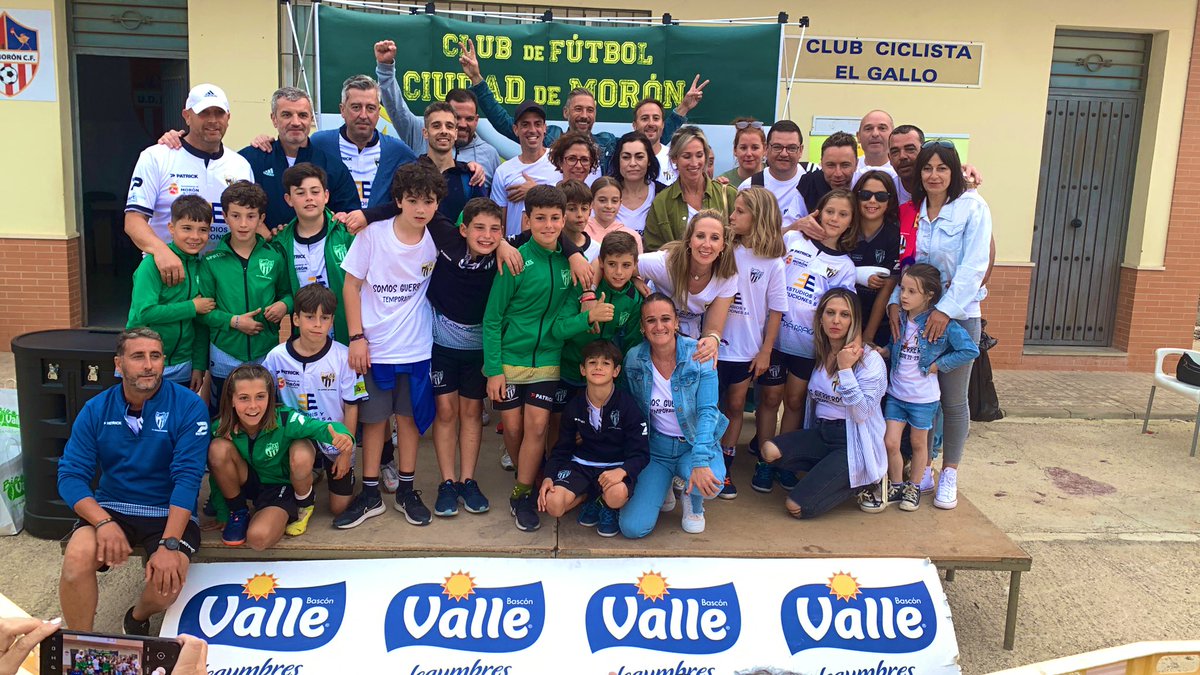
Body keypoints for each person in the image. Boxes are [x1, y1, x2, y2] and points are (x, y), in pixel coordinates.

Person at [57, 328, 209, 634]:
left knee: (167, 585)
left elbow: (188, 479)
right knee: (75, 559)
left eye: (156, 356)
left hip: (167, 512)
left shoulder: (189, 406)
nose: (149, 365)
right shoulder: (96, 408)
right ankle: (81, 644)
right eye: (138, 356)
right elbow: (70, 475)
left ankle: (137, 617)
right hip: (112, 508)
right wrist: (102, 522)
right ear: (119, 364)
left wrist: (169, 544)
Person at [887, 140, 992, 511]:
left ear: (954, 171)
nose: (934, 175)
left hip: (958, 315)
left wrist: (944, 311)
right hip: (918, 315)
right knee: (924, 397)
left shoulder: (972, 207)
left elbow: (974, 267)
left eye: (942, 168)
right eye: (927, 168)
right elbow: (909, 265)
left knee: (953, 400)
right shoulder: (915, 211)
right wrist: (895, 301)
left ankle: (950, 471)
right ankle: (925, 468)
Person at [337, 163, 443, 528]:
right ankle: (370, 495)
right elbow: (350, 286)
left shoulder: (437, 237)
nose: (420, 209)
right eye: (412, 200)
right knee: (374, 422)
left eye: (428, 201)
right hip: (374, 348)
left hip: (417, 348)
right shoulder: (373, 234)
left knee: (409, 421)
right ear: (398, 200)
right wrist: (356, 338)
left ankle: (406, 491)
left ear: (437, 204)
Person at [458, 38, 705, 174]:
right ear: (566, 112)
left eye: (589, 110)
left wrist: (682, 109)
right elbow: (504, 123)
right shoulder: (550, 138)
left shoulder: (608, 144)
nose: (584, 115)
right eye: (578, 109)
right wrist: (477, 79)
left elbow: (647, 141)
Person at [483, 185, 576, 532]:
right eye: (540, 218)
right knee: (514, 428)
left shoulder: (570, 262)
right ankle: (529, 473)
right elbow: (492, 319)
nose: (548, 225)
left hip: (548, 360)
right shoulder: (515, 260)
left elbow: (568, 315)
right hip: (509, 360)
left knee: (537, 426)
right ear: (527, 220)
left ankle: (522, 493)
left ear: (564, 220)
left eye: (555, 218)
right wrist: (494, 370)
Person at [758, 288, 888, 519]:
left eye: (844, 315)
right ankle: (830, 474)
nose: (836, 320)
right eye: (830, 313)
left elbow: (862, 413)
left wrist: (845, 369)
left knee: (795, 507)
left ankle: (865, 480)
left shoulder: (870, 360)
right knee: (769, 451)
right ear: (820, 319)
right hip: (822, 433)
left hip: (851, 443)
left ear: (854, 321)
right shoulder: (819, 353)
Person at [208, 363, 355, 549]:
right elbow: (215, 472)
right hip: (247, 481)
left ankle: (302, 504)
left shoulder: (285, 419)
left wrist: (345, 437)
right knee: (217, 448)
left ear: (270, 397)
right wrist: (222, 510)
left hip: (278, 487)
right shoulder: (221, 427)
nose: (253, 406)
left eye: (260, 396)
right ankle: (238, 512)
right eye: (244, 398)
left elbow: (322, 428)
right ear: (231, 400)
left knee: (258, 539)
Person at [620, 294, 726, 537]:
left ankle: (692, 499)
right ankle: (664, 483)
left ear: (676, 322)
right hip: (656, 449)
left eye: (666, 319)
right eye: (651, 320)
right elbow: (627, 408)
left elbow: (708, 411)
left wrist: (700, 461)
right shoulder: (634, 359)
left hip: (693, 444)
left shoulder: (698, 353)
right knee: (632, 528)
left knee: (712, 484)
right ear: (642, 327)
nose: (659, 326)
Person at [125, 84, 254, 284]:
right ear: (187, 116)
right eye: (204, 113)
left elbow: (250, 221)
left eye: (219, 113)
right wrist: (161, 251)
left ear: (228, 117)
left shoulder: (240, 165)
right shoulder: (156, 157)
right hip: (170, 276)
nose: (213, 120)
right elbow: (133, 220)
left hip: (221, 278)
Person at [875, 264, 977, 513]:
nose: (904, 296)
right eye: (902, 289)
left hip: (923, 399)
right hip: (896, 394)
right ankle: (897, 485)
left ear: (929, 295)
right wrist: (884, 352)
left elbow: (969, 350)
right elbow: (896, 345)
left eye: (912, 291)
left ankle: (914, 487)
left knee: (919, 444)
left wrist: (938, 365)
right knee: (890, 442)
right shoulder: (900, 318)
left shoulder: (941, 325)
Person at [261, 284, 367, 523]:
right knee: (300, 459)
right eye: (310, 317)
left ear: (332, 321)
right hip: (298, 436)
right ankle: (305, 502)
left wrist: (346, 451)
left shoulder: (343, 356)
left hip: (334, 438)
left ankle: (323, 470)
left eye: (325, 318)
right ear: (296, 319)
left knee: (339, 508)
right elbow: (266, 400)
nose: (318, 324)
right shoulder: (277, 357)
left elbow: (352, 406)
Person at [769, 190, 858, 442]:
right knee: (770, 398)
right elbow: (764, 244)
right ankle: (763, 455)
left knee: (794, 400)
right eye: (830, 211)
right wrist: (793, 226)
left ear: (851, 221)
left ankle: (783, 455)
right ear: (818, 212)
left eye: (843, 214)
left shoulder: (846, 266)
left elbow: (843, 309)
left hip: (808, 345)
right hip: (773, 338)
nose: (834, 218)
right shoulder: (794, 239)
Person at [197, 181, 292, 410]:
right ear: (224, 217)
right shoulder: (211, 261)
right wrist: (234, 321)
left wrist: (284, 305)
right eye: (235, 215)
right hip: (225, 353)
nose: (243, 224)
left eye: (251, 216)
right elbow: (203, 312)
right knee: (224, 415)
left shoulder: (275, 255)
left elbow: (289, 293)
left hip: (265, 352)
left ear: (261, 218)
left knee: (263, 413)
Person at [540, 339, 649, 538]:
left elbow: (641, 453)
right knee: (553, 504)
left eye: (606, 363)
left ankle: (606, 504)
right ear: (583, 369)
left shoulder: (628, 406)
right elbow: (562, 448)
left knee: (616, 495)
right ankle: (589, 497)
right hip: (582, 464)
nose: (598, 367)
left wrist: (623, 470)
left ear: (616, 371)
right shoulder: (574, 406)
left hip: (614, 467)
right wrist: (549, 476)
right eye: (592, 362)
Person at [718, 188, 787, 499]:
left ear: (758, 217)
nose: (732, 216)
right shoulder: (723, 248)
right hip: (713, 345)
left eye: (740, 211)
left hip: (745, 349)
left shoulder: (773, 262)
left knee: (735, 406)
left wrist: (765, 351)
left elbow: (776, 310)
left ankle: (724, 467)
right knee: (709, 407)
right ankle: (699, 465)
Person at [374, 40, 502, 180]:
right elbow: (396, 108)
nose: (462, 124)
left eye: (469, 118)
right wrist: (385, 69)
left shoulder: (490, 155)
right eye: (457, 118)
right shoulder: (420, 133)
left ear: (477, 120)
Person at [126, 195, 213, 392]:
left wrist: (198, 365)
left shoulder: (201, 267)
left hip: (183, 364)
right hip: (144, 362)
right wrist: (191, 307)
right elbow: (145, 313)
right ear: (171, 228)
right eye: (187, 228)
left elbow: (200, 323)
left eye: (203, 230)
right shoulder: (151, 265)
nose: (195, 236)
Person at [239, 87, 360, 227]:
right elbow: (235, 209)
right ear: (274, 119)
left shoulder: (333, 167)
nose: (295, 122)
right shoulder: (250, 160)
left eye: (303, 115)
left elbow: (349, 214)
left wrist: (342, 219)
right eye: (287, 115)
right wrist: (265, 234)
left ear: (311, 118)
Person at [636, 209, 737, 360]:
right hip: (653, 331)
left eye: (715, 238)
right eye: (700, 236)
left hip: (690, 335)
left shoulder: (727, 275)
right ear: (689, 240)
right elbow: (618, 265)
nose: (706, 244)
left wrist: (713, 340)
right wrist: (634, 280)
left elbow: (713, 329)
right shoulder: (664, 263)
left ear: (723, 245)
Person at [308, 74, 418, 211]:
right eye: (356, 107)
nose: (363, 115)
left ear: (378, 112)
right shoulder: (319, 144)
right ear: (342, 110)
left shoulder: (398, 151)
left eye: (370, 108)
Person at [274, 163, 356, 343]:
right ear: (289, 199)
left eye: (315, 191)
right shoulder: (280, 243)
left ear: (326, 196)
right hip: (305, 341)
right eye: (300, 193)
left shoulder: (347, 234)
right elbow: (283, 291)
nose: (309, 198)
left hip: (347, 337)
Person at [644, 127, 739, 252]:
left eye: (699, 155)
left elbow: (743, 241)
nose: (694, 163)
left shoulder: (728, 194)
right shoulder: (661, 202)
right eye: (687, 156)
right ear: (674, 158)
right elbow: (653, 250)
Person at [490, 100, 562, 236]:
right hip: (514, 247)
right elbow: (498, 223)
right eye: (525, 125)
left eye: (538, 124)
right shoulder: (503, 171)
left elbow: (569, 204)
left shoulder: (560, 161)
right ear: (515, 130)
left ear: (545, 128)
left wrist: (535, 192)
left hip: (552, 245)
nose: (532, 130)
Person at [848, 170, 902, 348]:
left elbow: (887, 288)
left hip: (879, 323)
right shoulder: (845, 230)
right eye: (865, 195)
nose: (872, 201)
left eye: (881, 196)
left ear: (890, 201)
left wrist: (867, 337)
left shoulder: (895, 235)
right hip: (843, 318)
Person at [738, 119, 811, 226]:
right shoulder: (749, 187)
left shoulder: (814, 176)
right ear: (766, 148)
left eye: (791, 148)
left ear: (801, 150)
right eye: (777, 147)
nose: (784, 154)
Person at [609, 132, 666, 237]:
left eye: (639, 157)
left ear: (649, 160)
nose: (632, 163)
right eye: (626, 157)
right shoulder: (604, 193)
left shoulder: (663, 194)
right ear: (618, 161)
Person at [795, 132, 859, 223]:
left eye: (845, 165)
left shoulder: (866, 185)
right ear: (821, 163)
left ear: (856, 164)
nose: (838, 173)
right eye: (831, 165)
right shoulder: (809, 184)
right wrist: (800, 225)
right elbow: (787, 226)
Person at [631, 98, 690, 186]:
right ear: (634, 125)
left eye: (656, 118)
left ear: (662, 125)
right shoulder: (623, 158)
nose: (651, 123)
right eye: (644, 118)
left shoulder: (675, 158)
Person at [586, 176, 642, 252]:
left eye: (614, 201)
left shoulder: (632, 236)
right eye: (602, 200)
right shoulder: (580, 231)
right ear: (591, 202)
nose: (609, 206)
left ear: (620, 203)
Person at [559, 179, 601, 261]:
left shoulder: (597, 250)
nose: (579, 214)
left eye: (584, 208)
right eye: (572, 209)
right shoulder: (550, 246)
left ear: (590, 211)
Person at [853, 110, 899, 183]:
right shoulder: (850, 171)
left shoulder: (901, 172)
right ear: (858, 136)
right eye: (868, 129)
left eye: (882, 128)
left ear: (893, 135)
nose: (875, 134)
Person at [718, 118, 766, 184]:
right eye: (743, 148)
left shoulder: (775, 177)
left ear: (765, 149)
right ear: (735, 150)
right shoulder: (723, 183)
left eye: (755, 148)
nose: (749, 154)